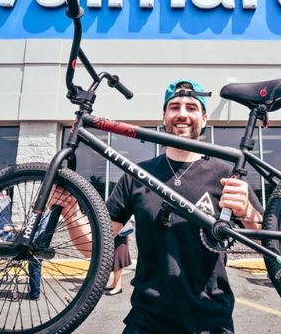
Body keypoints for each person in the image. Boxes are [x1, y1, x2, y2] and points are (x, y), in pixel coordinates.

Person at [53, 79, 263, 333]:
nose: (182, 114)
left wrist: (248, 213)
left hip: (211, 320)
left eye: (191, 107)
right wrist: (70, 210)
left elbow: (267, 247)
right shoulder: (137, 175)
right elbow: (94, 247)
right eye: (174, 107)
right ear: (164, 116)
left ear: (204, 118)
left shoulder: (227, 176)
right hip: (147, 319)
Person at [106, 221, 134, 296]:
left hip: (120, 233)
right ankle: (114, 283)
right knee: (115, 260)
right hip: (117, 232)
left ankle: (118, 286)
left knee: (117, 261)